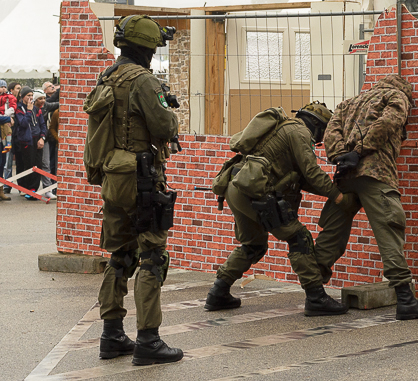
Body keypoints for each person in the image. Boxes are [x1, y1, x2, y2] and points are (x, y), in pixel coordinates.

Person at [91, 15, 183, 366]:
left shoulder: (107, 77)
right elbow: (163, 124)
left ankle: (111, 335)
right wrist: (170, 112)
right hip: (141, 177)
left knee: (120, 254)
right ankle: (149, 340)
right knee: (152, 255)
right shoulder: (144, 80)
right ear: (146, 48)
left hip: (113, 177)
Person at [204, 101, 353, 317]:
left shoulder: (284, 129)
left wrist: (331, 190)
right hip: (255, 192)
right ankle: (316, 297)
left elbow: (303, 179)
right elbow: (312, 173)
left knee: (253, 244)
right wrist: (339, 197)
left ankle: (218, 292)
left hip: (236, 187)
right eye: (322, 133)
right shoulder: (300, 132)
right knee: (299, 238)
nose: (320, 140)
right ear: (317, 125)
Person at [314, 74, 418, 321]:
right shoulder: (397, 96)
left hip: (345, 175)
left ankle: (314, 293)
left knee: (333, 233)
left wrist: (343, 156)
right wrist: (360, 152)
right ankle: (405, 299)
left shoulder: (348, 103)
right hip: (375, 172)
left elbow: (331, 132)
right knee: (389, 230)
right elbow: (388, 123)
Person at [13, 86, 47, 200]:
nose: (30, 98)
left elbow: (42, 124)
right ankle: (28, 188)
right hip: (26, 140)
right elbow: (23, 123)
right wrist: (28, 110)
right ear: (23, 97)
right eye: (28, 96)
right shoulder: (19, 108)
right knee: (29, 165)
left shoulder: (37, 110)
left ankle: (34, 189)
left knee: (38, 165)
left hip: (37, 138)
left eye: (32, 96)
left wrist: (42, 137)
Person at [4, 82, 21, 194]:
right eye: (17, 88)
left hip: (19, 136)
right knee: (8, 161)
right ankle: (7, 185)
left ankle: (21, 186)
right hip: (8, 135)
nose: (19, 90)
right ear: (11, 90)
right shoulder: (6, 102)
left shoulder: (20, 103)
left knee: (20, 161)